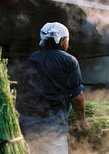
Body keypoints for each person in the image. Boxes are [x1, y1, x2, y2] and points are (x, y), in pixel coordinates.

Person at [16, 22, 89, 154]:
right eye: (67, 39)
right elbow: (77, 96)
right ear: (62, 40)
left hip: (28, 124)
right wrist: (82, 120)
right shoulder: (70, 61)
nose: (68, 42)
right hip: (52, 127)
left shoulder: (33, 58)